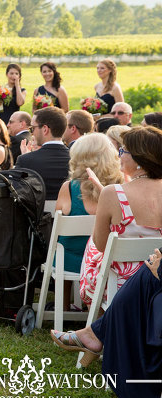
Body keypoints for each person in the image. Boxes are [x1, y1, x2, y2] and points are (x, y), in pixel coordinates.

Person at [51, 249, 162, 398]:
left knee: (96, 263)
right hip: (136, 271)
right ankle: (94, 333)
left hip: (117, 276)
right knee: (144, 273)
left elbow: (102, 244)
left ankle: (95, 333)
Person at [79, 126, 162, 306]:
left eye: (123, 150)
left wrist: (106, 198)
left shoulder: (112, 193)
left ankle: (99, 322)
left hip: (123, 286)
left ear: (138, 158)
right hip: (159, 280)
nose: (119, 155)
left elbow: (101, 245)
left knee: (91, 248)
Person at [55, 134, 123, 277]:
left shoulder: (68, 189)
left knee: (62, 247)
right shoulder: (122, 188)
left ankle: (64, 300)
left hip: (68, 263)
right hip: (109, 264)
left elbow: (57, 229)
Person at [16, 106, 70, 200]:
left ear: (45, 129)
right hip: (67, 213)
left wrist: (27, 159)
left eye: (32, 128)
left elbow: (17, 194)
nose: (32, 133)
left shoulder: (25, 160)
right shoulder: (77, 158)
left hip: (37, 214)